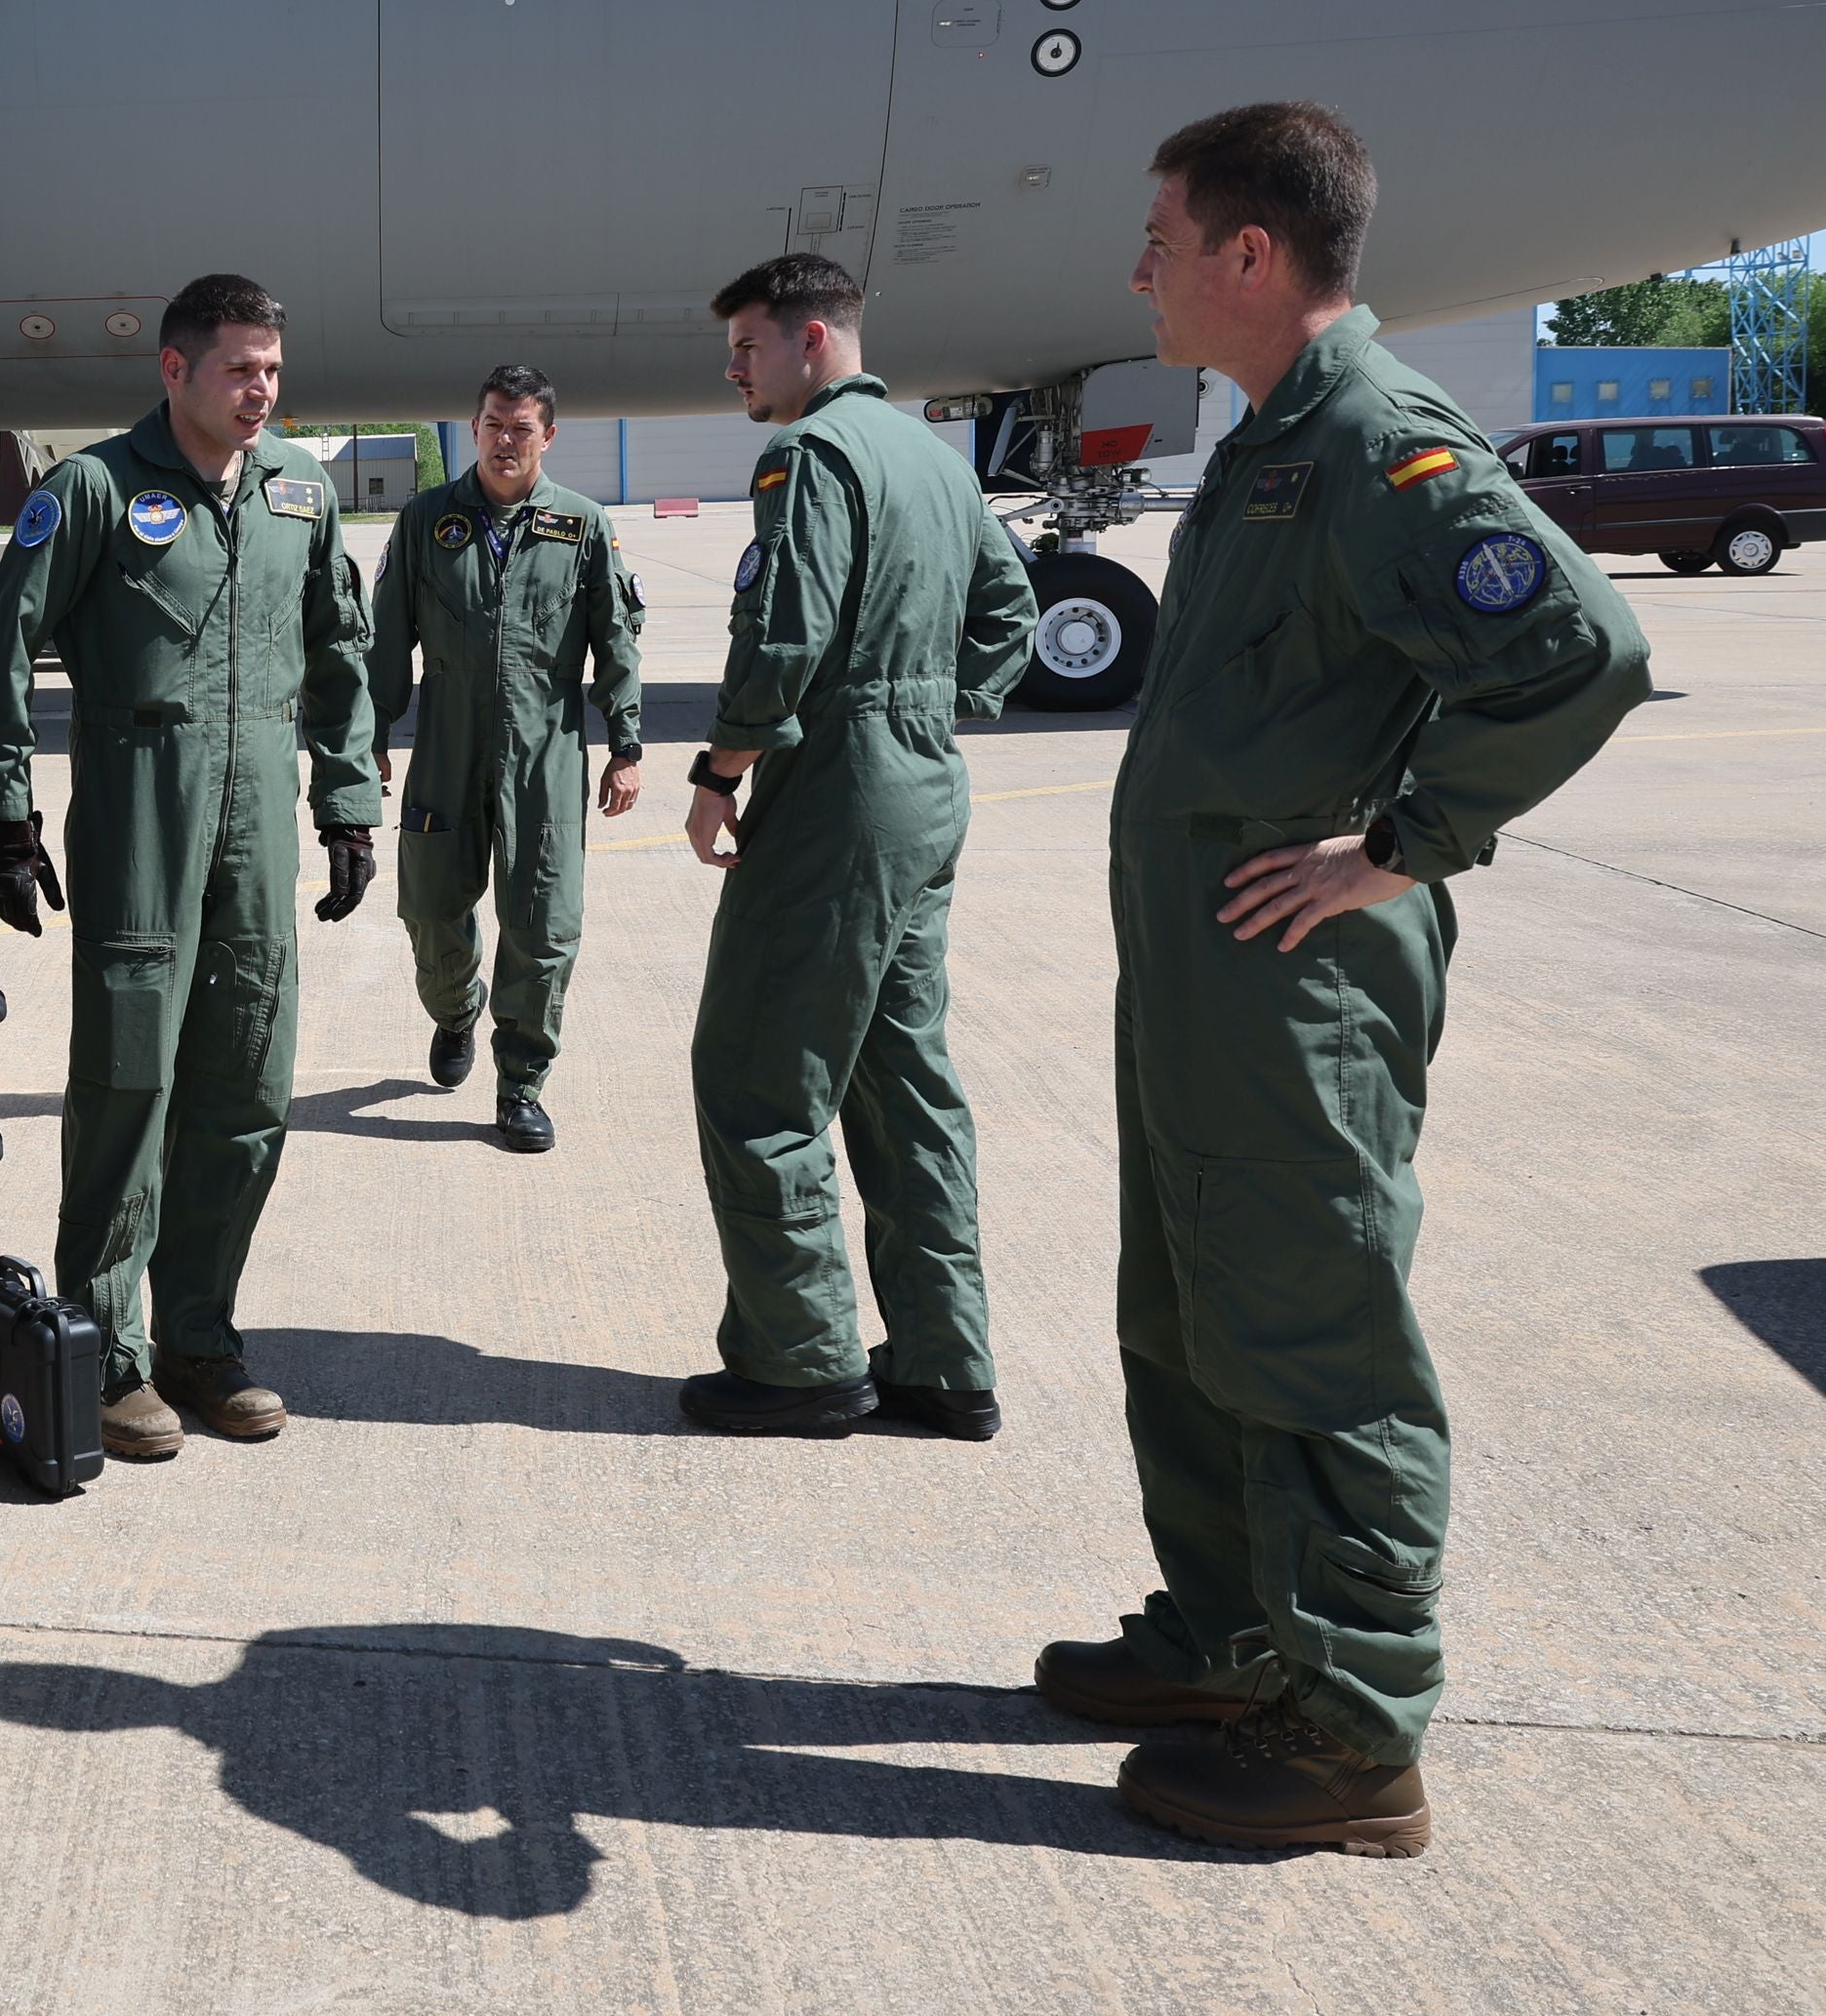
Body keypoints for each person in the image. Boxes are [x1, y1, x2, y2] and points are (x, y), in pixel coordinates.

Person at [1043, 104, 1647, 1858]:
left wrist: (1399, 842)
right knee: (1185, 1307)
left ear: (1247, 254)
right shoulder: (1265, 444)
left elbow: (1575, 653)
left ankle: (1355, 1729)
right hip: (1202, 972)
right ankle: (1233, 1637)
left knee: (1311, 1326)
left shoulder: (1377, 438)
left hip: (1290, 985)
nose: (1133, 263)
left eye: (1157, 231)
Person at [0, 273, 379, 1463]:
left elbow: (339, 652)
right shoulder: (93, 489)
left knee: (250, 1077)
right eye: (238, 368)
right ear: (175, 370)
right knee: (127, 1081)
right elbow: (3, 652)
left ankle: (200, 1334)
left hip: (260, 818)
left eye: (273, 372)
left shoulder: (301, 489)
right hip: (142, 808)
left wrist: (349, 805)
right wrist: (6, 813)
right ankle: (108, 1351)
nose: (259, 391)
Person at [677, 254, 1036, 1442]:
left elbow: (783, 636)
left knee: (758, 1075)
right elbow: (1010, 609)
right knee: (904, 1082)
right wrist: (939, 708)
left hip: (840, 790)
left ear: (815, 336)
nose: (734, 369)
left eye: (748, 347)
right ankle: (945, 1359)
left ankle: (801, 1360)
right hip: (925, 786)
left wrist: (721, 770)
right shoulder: (936, 459)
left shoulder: (813, 456)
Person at [367, 364, 645, 1153]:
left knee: (544, 928)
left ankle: (520, 1084)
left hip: (546, 754)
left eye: (521, 428)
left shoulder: (583, 526)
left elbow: (616, 644)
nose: (504, 441)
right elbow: (388, 636)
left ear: (547, 436)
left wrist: (625, 745)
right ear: (475, 428)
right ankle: (456, 1010)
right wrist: (371, 737)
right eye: (492, 424)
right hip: (446, 744)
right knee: (428, 911)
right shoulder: (426, 520)